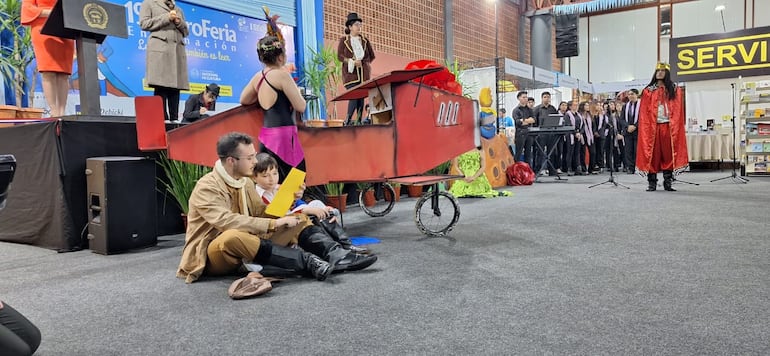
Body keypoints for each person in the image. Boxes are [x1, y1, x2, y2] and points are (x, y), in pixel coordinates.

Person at [176, 132, 377, 284]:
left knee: (299, 218)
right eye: (250, 158)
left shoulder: (244, 182)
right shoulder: (207, 186)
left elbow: (261, 212)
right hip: (213, 254)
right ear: (231, 161)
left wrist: (290, 202)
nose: (255, 162)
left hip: (251, 242)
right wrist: (274, 222)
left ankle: (337, 256)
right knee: (232, 236)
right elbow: (227, 221)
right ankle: (308, 263)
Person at [252, 153, 370, 254]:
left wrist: (300, 199)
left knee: (318, 205)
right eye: (265, 176)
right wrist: (308, 209)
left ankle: (345, 243)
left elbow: (296, 204)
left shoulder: (279, 188)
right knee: (312, 211)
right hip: (281, 226)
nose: (271, 179)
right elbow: (278, 214)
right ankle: (335, 248)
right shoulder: (256, 195)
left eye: (275, 174)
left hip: (294, 218)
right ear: (254, 177)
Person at [240, 36, 307, 181]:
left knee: (270, 183)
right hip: (284, 138)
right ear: (281, 56)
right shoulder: (282, 76)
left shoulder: (258, 77)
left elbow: (244, 100)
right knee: (294, 183)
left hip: (266, 137)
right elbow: (301, 106)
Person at [636, 62, 689, 191]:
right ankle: (652, 182)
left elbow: (677, 110)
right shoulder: (648, 91)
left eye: (662, 70)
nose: (660, 72)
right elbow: (644, 112)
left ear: (667, 73)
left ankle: (668, 182)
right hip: (653, 128)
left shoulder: (674, 90)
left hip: (668, 127)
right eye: (658, 70)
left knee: (669, 154)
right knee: (652, 155)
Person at [21, 0, 75, 117]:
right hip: (43, 28)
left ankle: (62, 112)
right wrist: (50, 13)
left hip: (65, 27)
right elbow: (28, 8)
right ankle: (54, 112)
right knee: (48, 71)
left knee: (64, 73)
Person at [140, 0, 190, 122]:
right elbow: (144, 24)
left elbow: (186, 32)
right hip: (160, 50)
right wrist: (167, 17)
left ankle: (174, 119)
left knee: (175, 86)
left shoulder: (179, 10)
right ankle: (161, 119)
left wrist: (179, 22)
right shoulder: (149, 3)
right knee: (161, 85)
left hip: (177, 51)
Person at [337, 12, 376, 125]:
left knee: (361, 97)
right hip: (351, 75)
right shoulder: (344, 41)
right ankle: (348, 120)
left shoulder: (365, 41)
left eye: (360, 24)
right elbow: (340, 57)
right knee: (354, 95)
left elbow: (371, 56)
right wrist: (352, 62)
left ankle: (358, 121)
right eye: (356, 24)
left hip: (363, 74)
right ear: (350, 27)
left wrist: (362, 63)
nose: (359, 27)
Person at [533, 92, 558, 175]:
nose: (547, 98)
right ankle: (538, 170)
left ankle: (552, 170)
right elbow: (534, 122)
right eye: (545, 97)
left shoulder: (553, 109)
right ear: (542, 98)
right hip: (541, 134)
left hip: (551, 134)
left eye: (548, 97)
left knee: (552, 152)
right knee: (540, 152)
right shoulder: (537, 109)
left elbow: (556, 119)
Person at [620, 88, 641, 174]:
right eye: (629, 94)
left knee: (637, 150)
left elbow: (643, 117)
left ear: (636, 95)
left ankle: (637, 167)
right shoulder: (625, 106)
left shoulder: (642, 104)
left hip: (638, 130)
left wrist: (635, 126)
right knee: (628, 150)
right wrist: (628, 126)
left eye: (632, 94)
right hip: (628, 131)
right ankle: (630, 167)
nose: (630, 96)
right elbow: (621, 119)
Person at [512, 91, 536, 165]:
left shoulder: (529, 110)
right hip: (520, 134)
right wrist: (527, 120)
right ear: (519, 98)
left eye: (526, 97)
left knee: (528, 153)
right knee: (518, 153)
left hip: (529, 133)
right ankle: (516, 170)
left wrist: (525, 120)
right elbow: (518, 122)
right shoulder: (516, 110)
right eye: (523, 97)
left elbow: (534, 120)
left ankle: (528, 172)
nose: (526, 99)